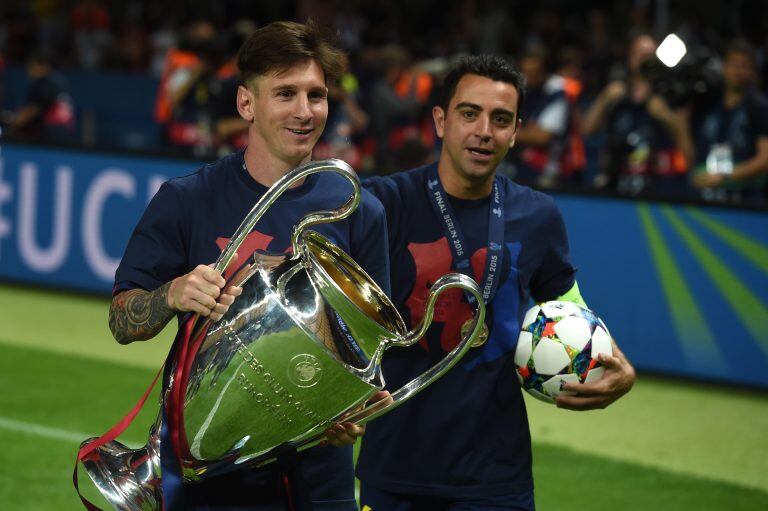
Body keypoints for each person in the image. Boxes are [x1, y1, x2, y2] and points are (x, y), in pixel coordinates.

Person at [109, 20, 389, 511]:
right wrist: (171, 293)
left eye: (316, 95)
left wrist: (354, 406)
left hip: (319, 482)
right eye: (285, 94)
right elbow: (121, 320)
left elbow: (369, 357)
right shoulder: (188, 199)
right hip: (207, 475)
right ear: (246, 104)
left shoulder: (358, 210)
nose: (305, 112)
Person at [357, 55, 636, 511]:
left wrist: (616, 366)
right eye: (469, 114)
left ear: (515, 130)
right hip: (394, 465)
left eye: (500, 119)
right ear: (441, 121)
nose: (484, 130)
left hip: (494, 474)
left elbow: (571, 312)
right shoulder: (383, 204)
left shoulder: (538, 215)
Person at [583, 34, 693, 195]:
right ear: (630, 58)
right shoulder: (616, 94)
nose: (643, 59)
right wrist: (603, 99)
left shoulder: (670, 97)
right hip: (615, 187)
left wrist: (668, 118)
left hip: (655, 192)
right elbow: (586, 130)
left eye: (649, 55)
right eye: (639, 53)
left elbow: (689, 157)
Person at [691, 39, 768, 206]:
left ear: (753, 72)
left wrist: (724, 177)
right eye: (734, 64)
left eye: (744, 66)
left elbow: (765, 158)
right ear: (724, 67)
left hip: (744, 202)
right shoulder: (708, 102)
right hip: (705, 198)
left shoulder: (758, 107)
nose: (738, 71)